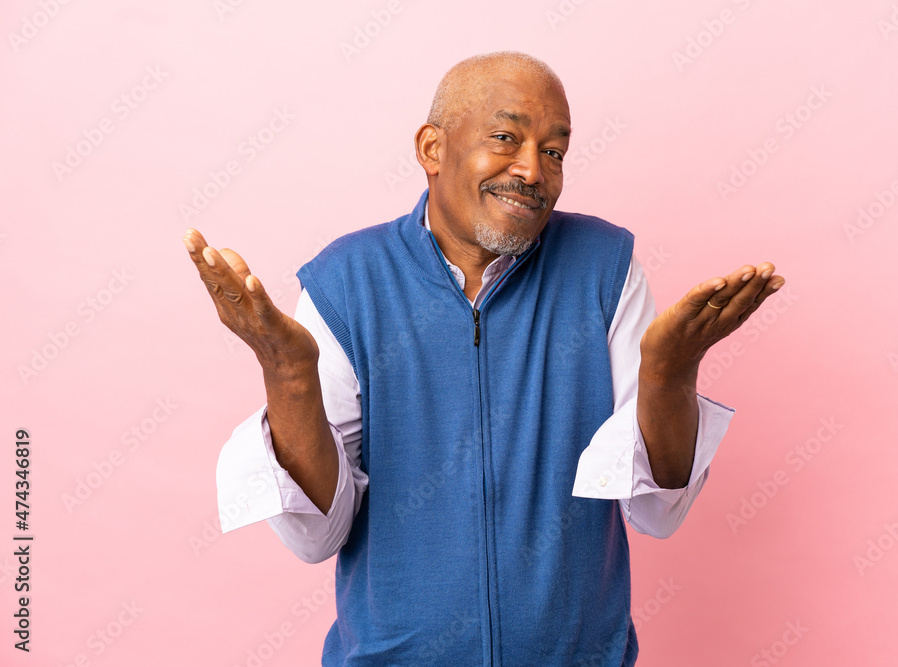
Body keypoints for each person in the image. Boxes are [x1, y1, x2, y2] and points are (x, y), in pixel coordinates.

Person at [183, 51, 785, 666]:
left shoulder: (605, 268)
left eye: (554, 151)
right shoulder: (346, 283)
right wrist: (288, 376)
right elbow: (316, 536)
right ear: (432, 148)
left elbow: (656, 512)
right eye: (505, 138)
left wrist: (668, 375)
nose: (532, 170)